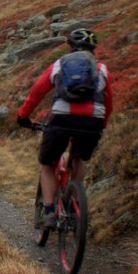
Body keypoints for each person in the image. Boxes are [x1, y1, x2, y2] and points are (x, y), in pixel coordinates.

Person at [16, 28, 113, 230]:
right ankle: (75, 208)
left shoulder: (60, 65)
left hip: (62, 117)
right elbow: (109, 102)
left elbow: (37, 92)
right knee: (78, 158)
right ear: (93, 50)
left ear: (70, 47)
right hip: (92, 120)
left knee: (48, 164)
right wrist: (101, 124)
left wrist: (23, 116)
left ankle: (50, 212)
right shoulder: (101, 69)